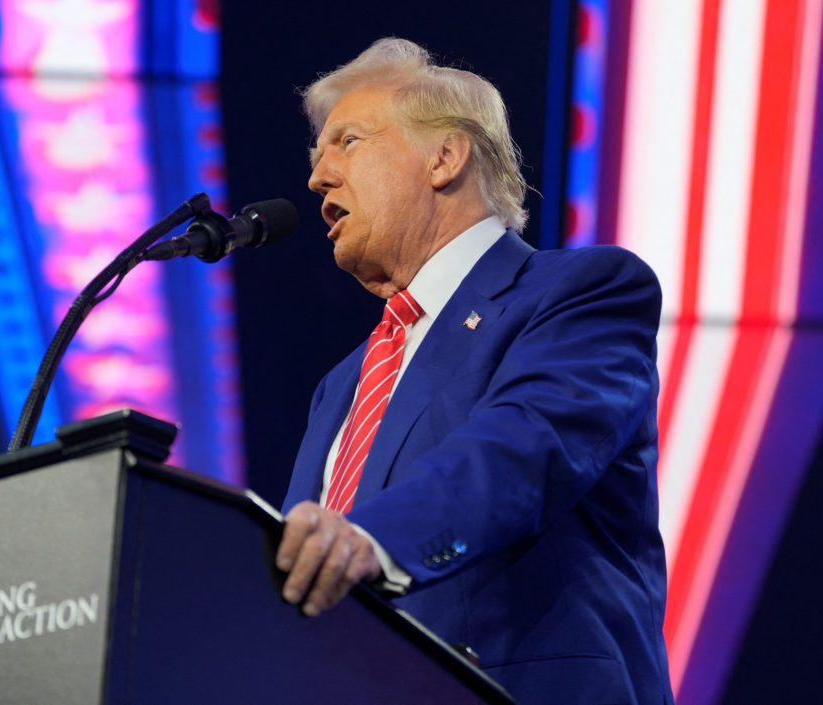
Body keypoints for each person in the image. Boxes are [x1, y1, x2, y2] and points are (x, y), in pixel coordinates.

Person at [275, 38, 674, 705]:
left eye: (347, 141)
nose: (318, 177)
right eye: (318, 157)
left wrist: (374, 537)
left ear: (444, 158)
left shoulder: (581, 291)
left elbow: (522, 447)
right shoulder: (343, 383)